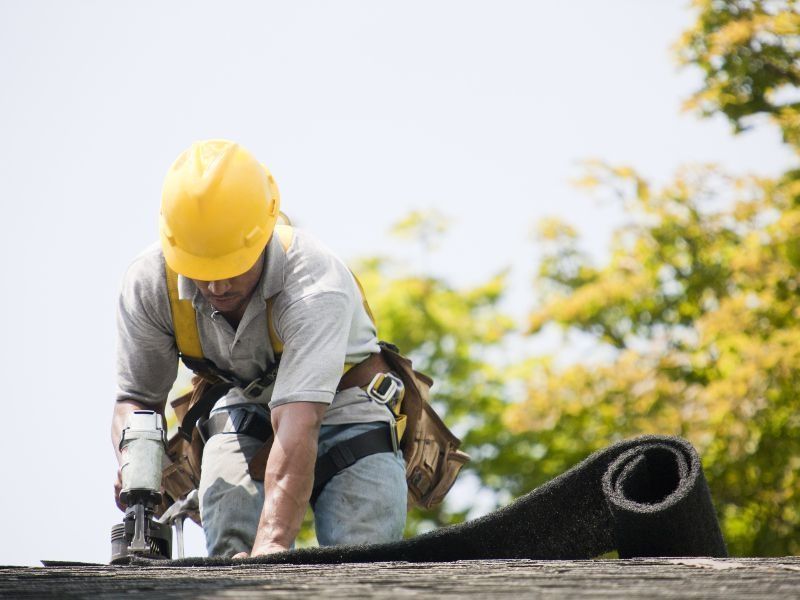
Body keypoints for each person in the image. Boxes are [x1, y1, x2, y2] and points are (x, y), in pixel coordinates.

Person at [111, 139, 407, 557]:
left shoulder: (313, 280)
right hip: (247, 404)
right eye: (200, 270)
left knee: (363, 559)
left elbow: (298, 421)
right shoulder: (149, 284)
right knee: (227, 535)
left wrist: (271, 549)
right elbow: (137, 401)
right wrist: (137, 463)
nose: (216, 287)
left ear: (263, 235)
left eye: (230, 268)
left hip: (346, 407)